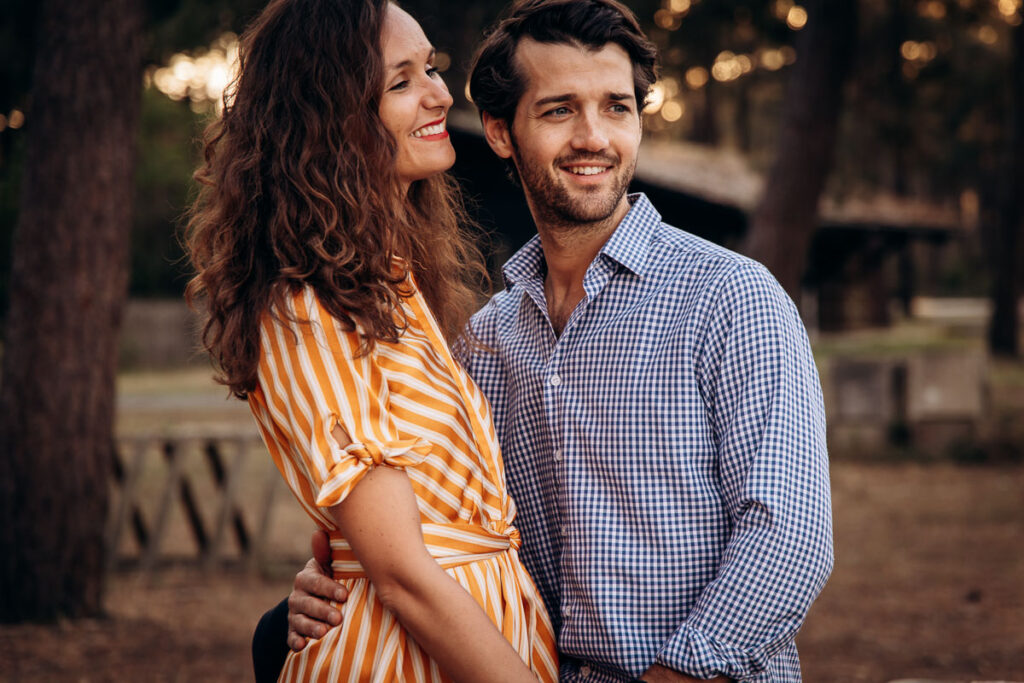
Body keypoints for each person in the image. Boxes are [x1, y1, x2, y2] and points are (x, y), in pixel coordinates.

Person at [265, 0, 834, 681]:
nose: (595, 137)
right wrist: (323, 575)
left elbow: (789, 537)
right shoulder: (483, 342)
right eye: (561, 109)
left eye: (617, 107)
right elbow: (440, 524)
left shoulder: (731, 300)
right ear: (501, 131)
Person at [185, 0, 560, 681]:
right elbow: (401, 570)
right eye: (402, 80)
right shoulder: (307, 305)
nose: (441, 93)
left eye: (433, 69)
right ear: (334, 120)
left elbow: (391, 526)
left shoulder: (393, 286)